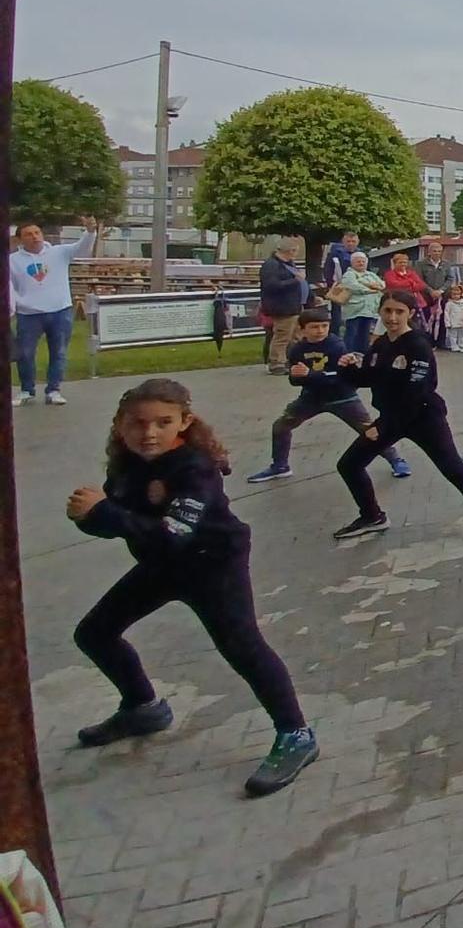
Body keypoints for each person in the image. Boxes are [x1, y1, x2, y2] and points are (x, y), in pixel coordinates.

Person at [67, 378, 320, 795]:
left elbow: (171, 532)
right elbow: (128, 521)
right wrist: (89, 516)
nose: (149, 433)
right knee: (94, 633)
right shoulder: (126, 464)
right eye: (137, 423)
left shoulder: (194, 468)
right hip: (162, 564)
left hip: (212, 565)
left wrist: (105, 514)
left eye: (162, 422)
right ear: (120, 426)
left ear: (184, 422)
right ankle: (142, 708)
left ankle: (296, 735)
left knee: (242, 646)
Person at [331, 292, 463, 543]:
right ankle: (372, 516)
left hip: (424, 417)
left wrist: (381, 427)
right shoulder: (380, 345)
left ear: (410, 313)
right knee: (349, 464)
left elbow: (416, 391)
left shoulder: (417, 345)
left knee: (452, 468)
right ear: (380, 311)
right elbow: (367, 378)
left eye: (399, 312)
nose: (392, 317)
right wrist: (347, 367)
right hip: (392, 417)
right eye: (388, 311)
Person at [246, 308, 409, 483]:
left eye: (324, 326)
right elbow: (296, 380)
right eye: (314, 327)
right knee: (281, 426)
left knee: (369, 430)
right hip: (311, 398)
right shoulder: (296, 349)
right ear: (302, 329)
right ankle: (280, 466)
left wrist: (309, 375)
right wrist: (295, 375)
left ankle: (396, 460)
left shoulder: (336, 345)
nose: (320, 331)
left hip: (343, 398)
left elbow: (338, 376)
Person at [10, 216, 96, 406]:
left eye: (37, 233)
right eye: (29, 234)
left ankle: (54, 390)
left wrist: (90, 232)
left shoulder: (59, 252)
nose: (34, 237)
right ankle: (26, 390)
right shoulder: (13, 261)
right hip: (29, 314)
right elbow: (10, 288)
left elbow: (82, 248)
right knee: (25, 353)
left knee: (58, 352)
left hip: (60, 311)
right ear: (19, 239)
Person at [259, 241, 307, 375]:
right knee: (282, 335)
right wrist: (295, 281)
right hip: (282, 306)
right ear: (289, 251)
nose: (296, 254)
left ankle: (290, 359)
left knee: (295, 335)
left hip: (294, 305)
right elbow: (271, 285)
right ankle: (276, 363)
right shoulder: (272, 265)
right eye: (295, 251)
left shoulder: (288, 264)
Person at [336, 251, 386, 355]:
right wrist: (370, 288)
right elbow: (353, 286)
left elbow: (382, 285)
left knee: (365, 333)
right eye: (358, 261)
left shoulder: (371, 274)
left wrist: (367, 284)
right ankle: (348, 353)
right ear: (352, 263)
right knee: (352, 333)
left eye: (363, 261)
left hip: (369, 310)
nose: (361, 263)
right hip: (354, 309)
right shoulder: (349, 274)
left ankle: (363, 354)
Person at [321, 230, 360, 337]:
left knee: (354, 315)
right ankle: (335, 337)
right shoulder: (335, 254)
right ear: (343, 242)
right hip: (339, 287)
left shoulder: (361, 255)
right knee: (337, 316)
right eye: (348, 241)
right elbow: (328, 270)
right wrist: (331, 285)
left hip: (356, 288)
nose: (351, 243)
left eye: (353, 241)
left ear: (357, 242)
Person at [416, 240, 456, 343]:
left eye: (439, 251)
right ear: (429, 252)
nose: (437, 253)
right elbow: (419, 280)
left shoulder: (446, 264)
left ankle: (441, 341)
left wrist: (441, 290)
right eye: (435, 251)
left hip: (443, 295)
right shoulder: (421, 264)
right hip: (427, 296)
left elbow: (450, 278)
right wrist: (430, 291)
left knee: (442, 318)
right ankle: (428, 341)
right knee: (427, 319)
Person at [442, 282, 463, 352]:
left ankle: (461, 345)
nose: (456, 296)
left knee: (462, 335)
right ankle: (454, 346)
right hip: (453, 323)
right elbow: (446, 314)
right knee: (453, 336)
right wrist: (447, 323)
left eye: (458, 294)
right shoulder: (449, 304)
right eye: (454, 294)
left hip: (462, 322)